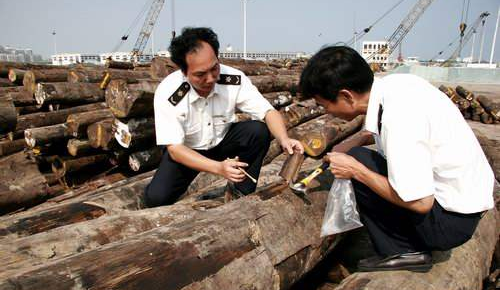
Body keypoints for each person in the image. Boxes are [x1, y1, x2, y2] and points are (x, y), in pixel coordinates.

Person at [299, 46, 494, 272]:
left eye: (325, 105)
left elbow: (421, 203)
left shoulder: (398, 119)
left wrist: (356, 172)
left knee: (359, 163)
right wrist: (355, 141)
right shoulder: (396, 85)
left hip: (449, 224)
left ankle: (404, 250)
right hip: (464, 204)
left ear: (346, 96)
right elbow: (379, 128)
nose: (328, 112)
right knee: (357, 155)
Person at [145, 27, 303, 207]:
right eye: (200, 75)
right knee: (157, 199)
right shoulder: (169, 92)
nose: (211, 78)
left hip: (222, 141)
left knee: (257, 131)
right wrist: (218, 168)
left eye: (214, 68)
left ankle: (240, 193)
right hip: (188, 152)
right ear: (184, 71)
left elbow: (268, 112)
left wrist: (284, 139)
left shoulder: (233, 79)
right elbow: (175, 149)